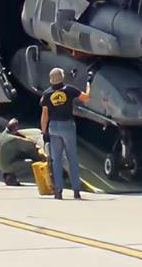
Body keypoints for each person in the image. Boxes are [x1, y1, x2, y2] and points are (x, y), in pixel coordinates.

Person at [40, 67, 86, 200]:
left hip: (54, 127)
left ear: (51, 79)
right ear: (62, 77)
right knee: (72, 158)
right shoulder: (69, 90)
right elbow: (85, 97)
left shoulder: (47, 94)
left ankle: (58, 191)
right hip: (67, 126)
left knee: (56, 160)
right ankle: (76, 190)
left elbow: (44, 115)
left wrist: (44, 131)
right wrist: (89, 85)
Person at [0, 118, 43, 186]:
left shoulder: (3, 134)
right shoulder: (12, 139)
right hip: (8, 166)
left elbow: (17, 135)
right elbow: (30, 144)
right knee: (32, 163)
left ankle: (10, 176)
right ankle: (41, 177)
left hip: (2, 165)